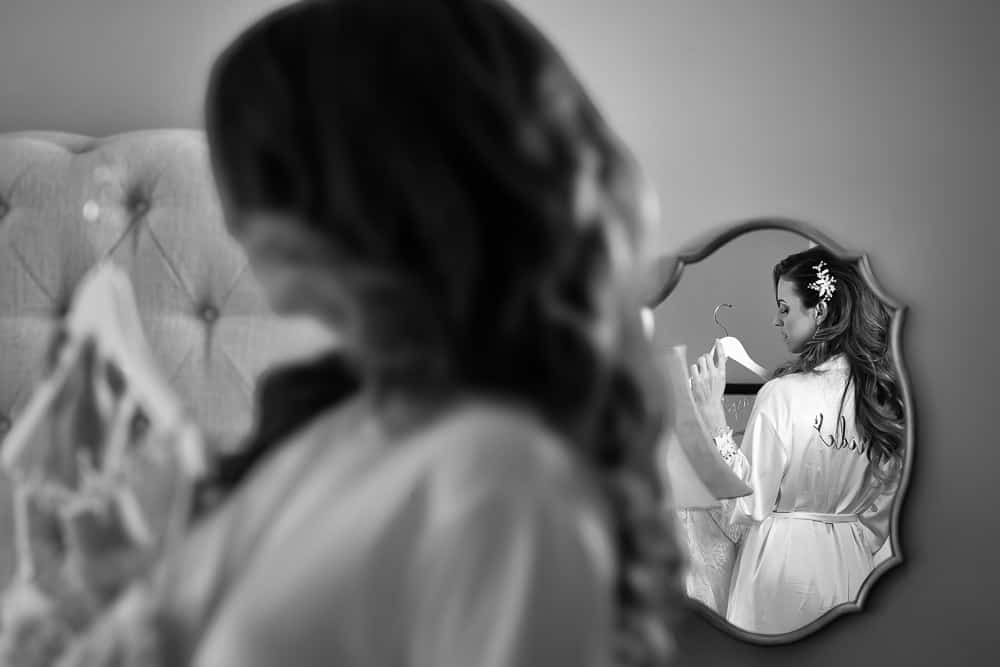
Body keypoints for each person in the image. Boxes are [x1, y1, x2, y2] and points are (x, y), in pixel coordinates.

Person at [13, 1, 686, 665]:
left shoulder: (505, 486)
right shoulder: (342, 427)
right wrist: (115, 584)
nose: (234, 205)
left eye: (253, 169)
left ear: (372, 188)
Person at [689, 246, 905, 634]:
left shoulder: (782, 394)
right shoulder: (880, 398)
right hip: (851, 572)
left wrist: (713, 420)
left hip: (779, 570)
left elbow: (746, 505)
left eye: (785, 308)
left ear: (819, 311)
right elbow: (882, 516)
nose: (776, 320)